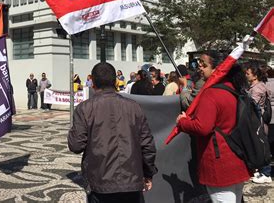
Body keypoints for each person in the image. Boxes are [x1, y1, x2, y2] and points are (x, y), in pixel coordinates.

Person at [68, 62, 157, 202]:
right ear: (115, 81)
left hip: (100, 181)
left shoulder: (84, 108)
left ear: (93, 83)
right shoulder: (134, 107)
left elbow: (75, 145)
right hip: (131, 180)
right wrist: (148, 173)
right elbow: (147, 145)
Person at [177, 54, 251, 203]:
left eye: (204, 64)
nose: (200, 67)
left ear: (218, 69)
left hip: (219, 161)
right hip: (237, 157)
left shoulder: (211, 93)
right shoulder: (234, 90)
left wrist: (182, 122)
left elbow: (202, 127)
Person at [245, 63, 271, 184]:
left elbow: (252, 105)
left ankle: (266, 172)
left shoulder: (258, 88)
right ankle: (261, 170)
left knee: (262, 146)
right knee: (257, 146)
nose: (246, 75)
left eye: (248, 73)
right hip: (255, 121)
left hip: (258, 122)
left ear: (255, 76)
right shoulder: (254, 86)